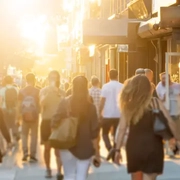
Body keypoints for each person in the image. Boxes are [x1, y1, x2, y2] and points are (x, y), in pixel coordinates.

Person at [114, 75, 178, 180]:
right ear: (149, 88)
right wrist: (176, 138)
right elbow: (170, 122)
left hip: (134, 148)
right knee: (150, 177)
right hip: (153, 147)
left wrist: (117, 150)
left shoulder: (128, 106)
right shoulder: (155, 102)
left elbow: (121, 129)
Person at [52, 76, 100, 180]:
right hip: (85, 147)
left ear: (73, 87)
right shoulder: (90, 107)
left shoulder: (64, 103)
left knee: (69, 175)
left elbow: (54, 123)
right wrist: (97, 153)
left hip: (66, 145)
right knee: (81, 176)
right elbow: (94, 133)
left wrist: (56, 146)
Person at [40, 70, 65, 179]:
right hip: (46, 121)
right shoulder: (43, 91)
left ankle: (59, 171)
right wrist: (49, 92)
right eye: (51, 78)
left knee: (58, 149)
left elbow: (65, 106)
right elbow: (41, 104)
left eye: (55, 78)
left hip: (58, 122)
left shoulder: (62, 92)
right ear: (48, 79)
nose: (53, 81)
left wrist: (57, 93)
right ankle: (48, 169)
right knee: (47, 148)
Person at [99, 69, 123, 159]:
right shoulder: (122, 86)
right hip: (119, 113)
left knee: (105, 133)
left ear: (109, 76)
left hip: (107, 114)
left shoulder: (105, 86)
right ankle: (116, 150)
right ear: (117, 75)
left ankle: (109, 149)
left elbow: (102, 101)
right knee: (117, 134)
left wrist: (99, 112)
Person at [156, 72, 180, 156]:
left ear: (169, 78)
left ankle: (175, 148)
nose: (164, 80)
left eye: (165, 78)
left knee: (176, 131)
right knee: (169, 132)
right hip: (165, 113)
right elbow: (160, 100)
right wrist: (165, 96)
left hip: (176, 112)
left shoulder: (177, 86)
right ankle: (171, 149)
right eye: (162, 78)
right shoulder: (159, 86)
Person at [19, 73, 40, 162]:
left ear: (26, 80)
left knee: (24, 135)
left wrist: (19, 115)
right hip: (34, 116)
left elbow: (18, 104)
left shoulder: (21, 91)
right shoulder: (37, 91)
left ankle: (25, 153)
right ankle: (32, 155)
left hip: (24, 116)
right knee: (34, 135)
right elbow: (40, 104)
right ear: (34, 80)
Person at [0, 75, 19, 141]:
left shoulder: (2, 90)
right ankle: (15, 137)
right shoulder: (16, 89)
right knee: (13, 124)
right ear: (12, 81)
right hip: (14, 108)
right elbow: (17, 100)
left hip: (4, 109)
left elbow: (1, 101)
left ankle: (8, 140)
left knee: (6, 125)